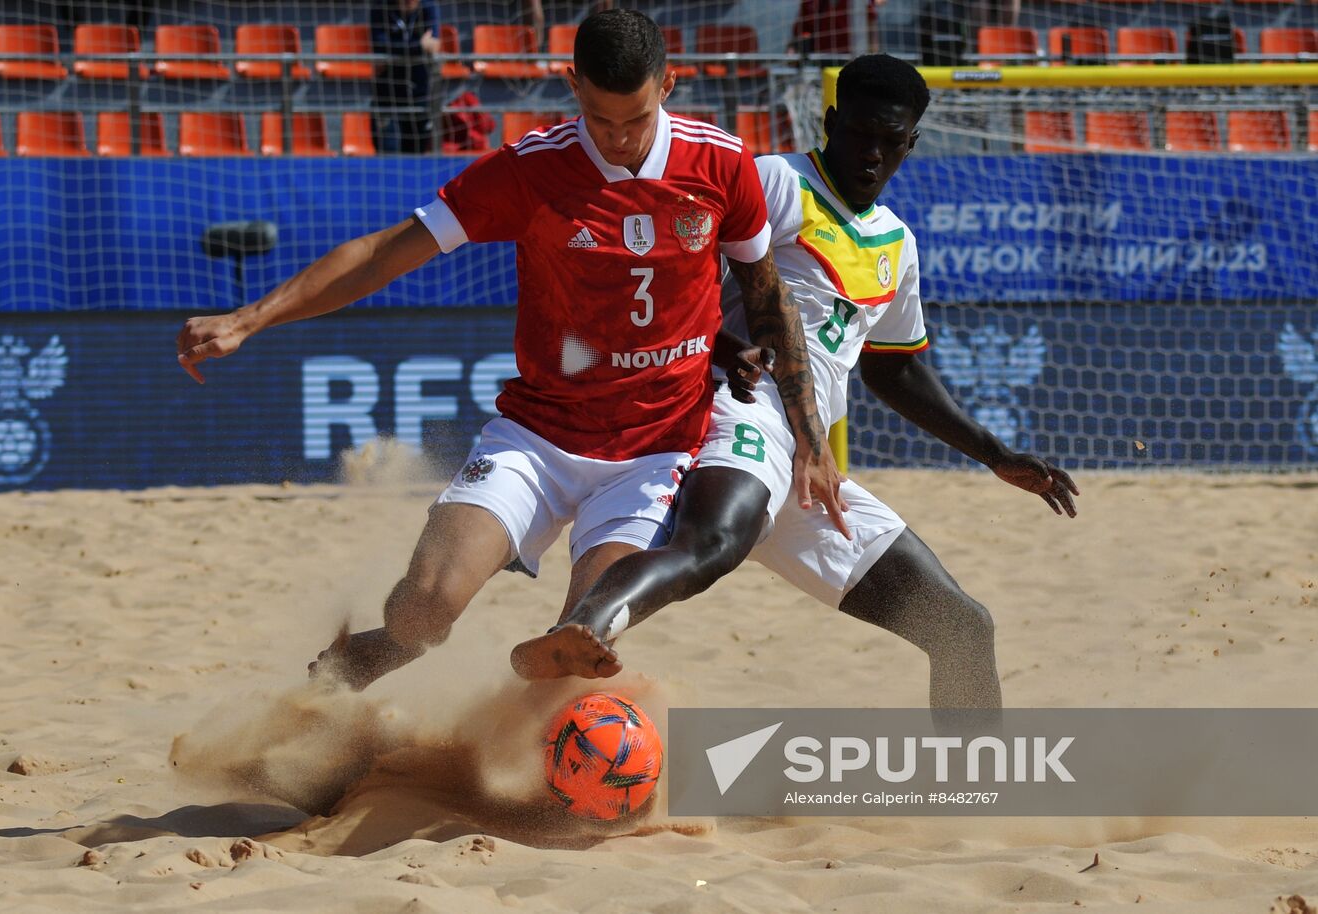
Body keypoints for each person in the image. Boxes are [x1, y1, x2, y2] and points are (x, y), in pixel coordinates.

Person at [176, 10, 841, 692]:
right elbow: (383, 253)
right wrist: (247, 319)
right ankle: (376, 651)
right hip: (538, 437)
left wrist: (810, 433)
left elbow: (768, 298)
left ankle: (526, 762)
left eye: (635, 119)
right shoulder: (532, 170)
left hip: (656, 448)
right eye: (600, 117)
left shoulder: (722, 162)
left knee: (581, 635)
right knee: (422, 609)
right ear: (571, 84)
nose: (617, 138)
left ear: (668, 85)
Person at [510, 54, 1079, 711]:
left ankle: (975, 796)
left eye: (888, 142)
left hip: (808, 466)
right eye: (859, 133)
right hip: (739, 408)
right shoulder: (779, 181)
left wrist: (995, 453)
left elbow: (894, 368)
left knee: (961, 625)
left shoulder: (898, 242)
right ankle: (578, 632)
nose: (870, 154)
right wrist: (724, 348)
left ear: (910, 144)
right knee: (713, 544)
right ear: (831, 122)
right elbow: (667, 271)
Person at [371, 0, 442, 153]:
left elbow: (434, 44)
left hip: (419, 92)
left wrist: (396, 50)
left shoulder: (428, 7)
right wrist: (419, 46)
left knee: (416, 152)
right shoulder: (380, 8)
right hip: (387, 93)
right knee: (387, 151)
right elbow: (380, 45)